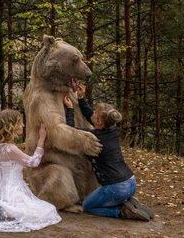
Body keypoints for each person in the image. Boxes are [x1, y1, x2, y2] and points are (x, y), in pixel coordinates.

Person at [63, 84, 154, 221]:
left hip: (117, 187)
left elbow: (71, 131)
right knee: (103, 198)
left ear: (99, 121)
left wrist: (70, 109)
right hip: (131, 183)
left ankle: (121, 211)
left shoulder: (95, 138)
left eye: (95, 113)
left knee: (88, 206)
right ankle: (125, 202)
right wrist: (81, 98)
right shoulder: (111, 130)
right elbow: (90, 116)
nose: (92, 113)